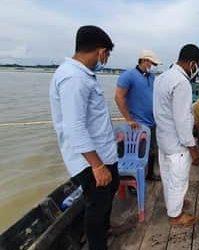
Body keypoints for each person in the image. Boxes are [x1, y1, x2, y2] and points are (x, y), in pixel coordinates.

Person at [49, 25, 119, 250]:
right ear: (100, 51)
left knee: (109, 194)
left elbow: (91, 118)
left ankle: (105, 231)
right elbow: (75, 126)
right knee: (97, 206)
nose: (105, 59)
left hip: (103, 152)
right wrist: (97, 166)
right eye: (107, 54)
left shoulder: (82, 75)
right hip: (90, 160)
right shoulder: (73, 78)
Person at [153, 44, 199, 226]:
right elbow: (182, 120)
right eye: (197, 65)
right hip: (177, 143)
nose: (196, 71)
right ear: (192, 63)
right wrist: (193, 148)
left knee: (168, 177)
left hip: (163, 138)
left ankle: (175, 204)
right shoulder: (182, 83)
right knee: (179, 179)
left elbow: (159, 110)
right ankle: (175, 216)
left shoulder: (162, 77)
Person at [115, 49, 162, 181]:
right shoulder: (128, 75)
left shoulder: (152, 77)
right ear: (144, 60)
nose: (151, 66)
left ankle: (150, 174)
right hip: (137, 124)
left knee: (152, 150)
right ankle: (132, 180)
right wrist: (128, 119)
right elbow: (119, 97)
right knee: (136, 153)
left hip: (152, 122)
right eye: (150, 63)